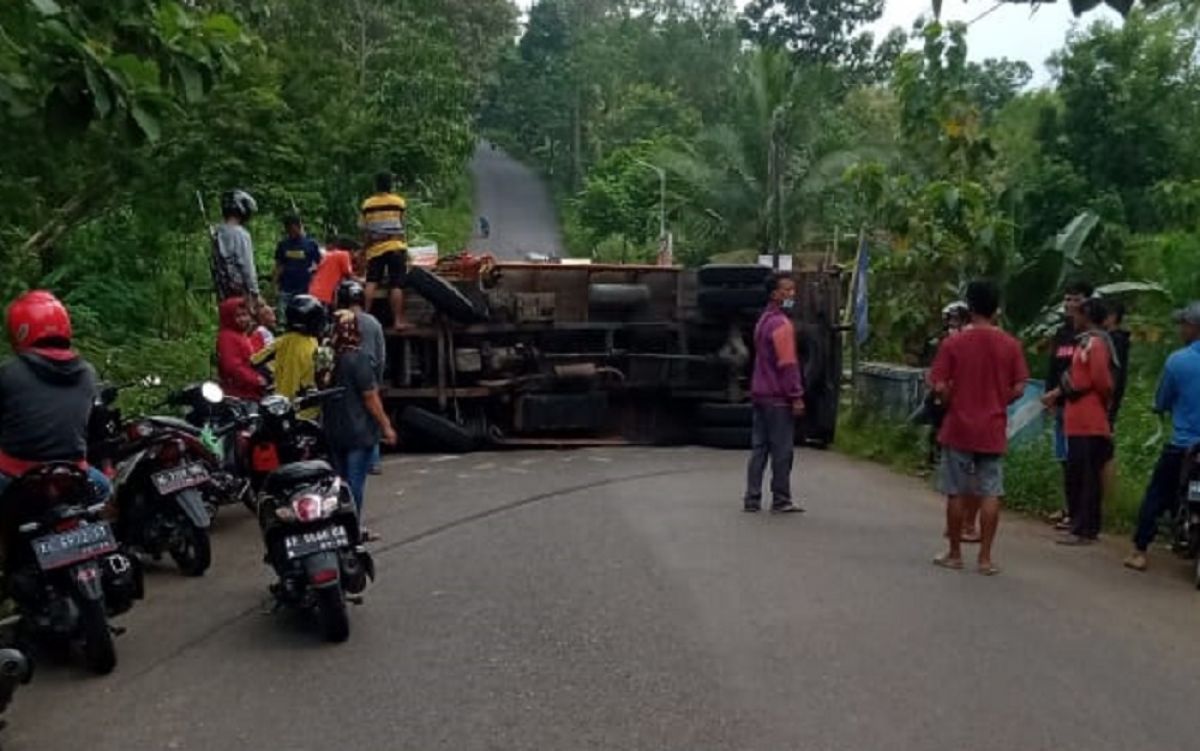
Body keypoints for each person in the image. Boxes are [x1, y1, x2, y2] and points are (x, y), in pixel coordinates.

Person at [930, 280, 1028, 576]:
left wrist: (951, 398)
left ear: (969, 308)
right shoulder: (1010, 345)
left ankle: (955, 554)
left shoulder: (953, 343)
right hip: (992, 427)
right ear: (996, 309)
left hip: (959, 427)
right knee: (990, 492)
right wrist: (999, 399)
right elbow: (1020, 387)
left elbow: (939, 386)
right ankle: (985, 558)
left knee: (956, 492)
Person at [0, 291, 110, 504]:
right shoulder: (88, 372)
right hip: (73, 474)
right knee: (106, 490)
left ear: (20, 329)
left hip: (16, 473)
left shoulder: (9, 372)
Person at [1123, 302, 1200, 571]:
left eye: (1184, 325)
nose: (1181, 330)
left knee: (1157, 495)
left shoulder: (1178, 361)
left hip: (1184, 447)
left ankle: (1139, 551)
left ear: (1194, 327)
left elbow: (1162, 399)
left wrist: (1160, 407)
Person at [323, 309, 397, 540]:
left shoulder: (326, 359)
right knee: (354, 484)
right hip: (358, 430)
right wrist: (386, 425)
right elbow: (370, 397)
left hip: (333, 430)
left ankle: (338, 526)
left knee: (339, 481)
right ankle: (352, 528)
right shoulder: (358, 358)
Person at [744, 272, 805, 514]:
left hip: (760, 393)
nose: (792, 294)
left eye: (792, 290)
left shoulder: (763, 321)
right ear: (774, 294)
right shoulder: (782, 325)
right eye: (786, 290)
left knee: (759, 448)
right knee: (782, 451)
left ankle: (752, 498)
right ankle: (781, 499)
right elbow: (788, 364)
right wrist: (796, 395)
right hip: (778, 397)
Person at [1057, 297, 1115, 546]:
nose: (1074, 318)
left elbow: (1103, 381)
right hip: (1079, 418)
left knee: (1085, 475)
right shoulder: (1085, 342)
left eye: (1078, 314)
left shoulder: (1095, 343)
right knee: (1079, 473)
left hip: (1088, 419)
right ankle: (1083, 525)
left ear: (1086, 316)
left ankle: (1084, 528)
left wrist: (1097, 398)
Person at [1041, 279, 1094, 530]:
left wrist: (1057, 393)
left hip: (1078, 405)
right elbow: (1054, 367)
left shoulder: (1089, 338)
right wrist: (1049, 396)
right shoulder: (1062, 333)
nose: (1071, 304)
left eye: (1076, 299)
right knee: (1063, 458)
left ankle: (1079, 513)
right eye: (1068, 299)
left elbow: (1082, 374)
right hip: (1059, 404)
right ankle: (1068, 507)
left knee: (1077, 461)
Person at [336, 280, 386, 475]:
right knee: (372, 415)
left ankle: (343, 461)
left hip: (344, 374)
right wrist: (377, 380)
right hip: (368, 373)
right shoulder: (373, 322)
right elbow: (381, 355)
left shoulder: (337, 320)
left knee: (346, 415)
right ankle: (373, 460)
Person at [252, 295, 326, 418]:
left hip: (279, 406)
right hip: (306, 409)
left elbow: (255, 361)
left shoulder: (282, 341)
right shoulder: (314, 345)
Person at [360, 172, 410, 331]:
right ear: (390, 185)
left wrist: (363, 250)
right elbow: (402, 227)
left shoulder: (367, 205)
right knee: (397, 285)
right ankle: (398, 321)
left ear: (376, 185)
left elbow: (365, 231)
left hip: (375, 248)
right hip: (395, 247)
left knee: (371, 282)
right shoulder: (399, 202)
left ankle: (362, 319)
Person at [211, 189, 261, 305]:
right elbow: (247, 267)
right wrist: (255, 293)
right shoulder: (241, 234)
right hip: (241, 295)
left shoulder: (217, 233)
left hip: (223, 295)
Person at [217, 297, 267, 400]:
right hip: (239, 394)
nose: (243, 319)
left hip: (248, 389)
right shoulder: (227, 337)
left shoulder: (240, 334)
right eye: (238, 316)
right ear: (229, 318)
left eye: (245, 315)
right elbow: (232, 367)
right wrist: (256, 379)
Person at [273, 215, 321, 316]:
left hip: (304, 288)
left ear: (299, 226)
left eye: (293, 228)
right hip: (286, 287)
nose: (292, 232)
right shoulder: (283, 245)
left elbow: (319, 264)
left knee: (302, 316)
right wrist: (275, 285)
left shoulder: (311, 244)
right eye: (289, 229)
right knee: (283, 317)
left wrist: (314, 279)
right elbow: (279, 265)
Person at [310, 238, 362, 307]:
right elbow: (349, 275)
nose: (358, 256)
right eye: (358, 253)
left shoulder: (331, 254)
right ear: (352, 250)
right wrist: (363, 282)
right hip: (324, 293)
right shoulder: (344, 255)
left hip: (314, 290)